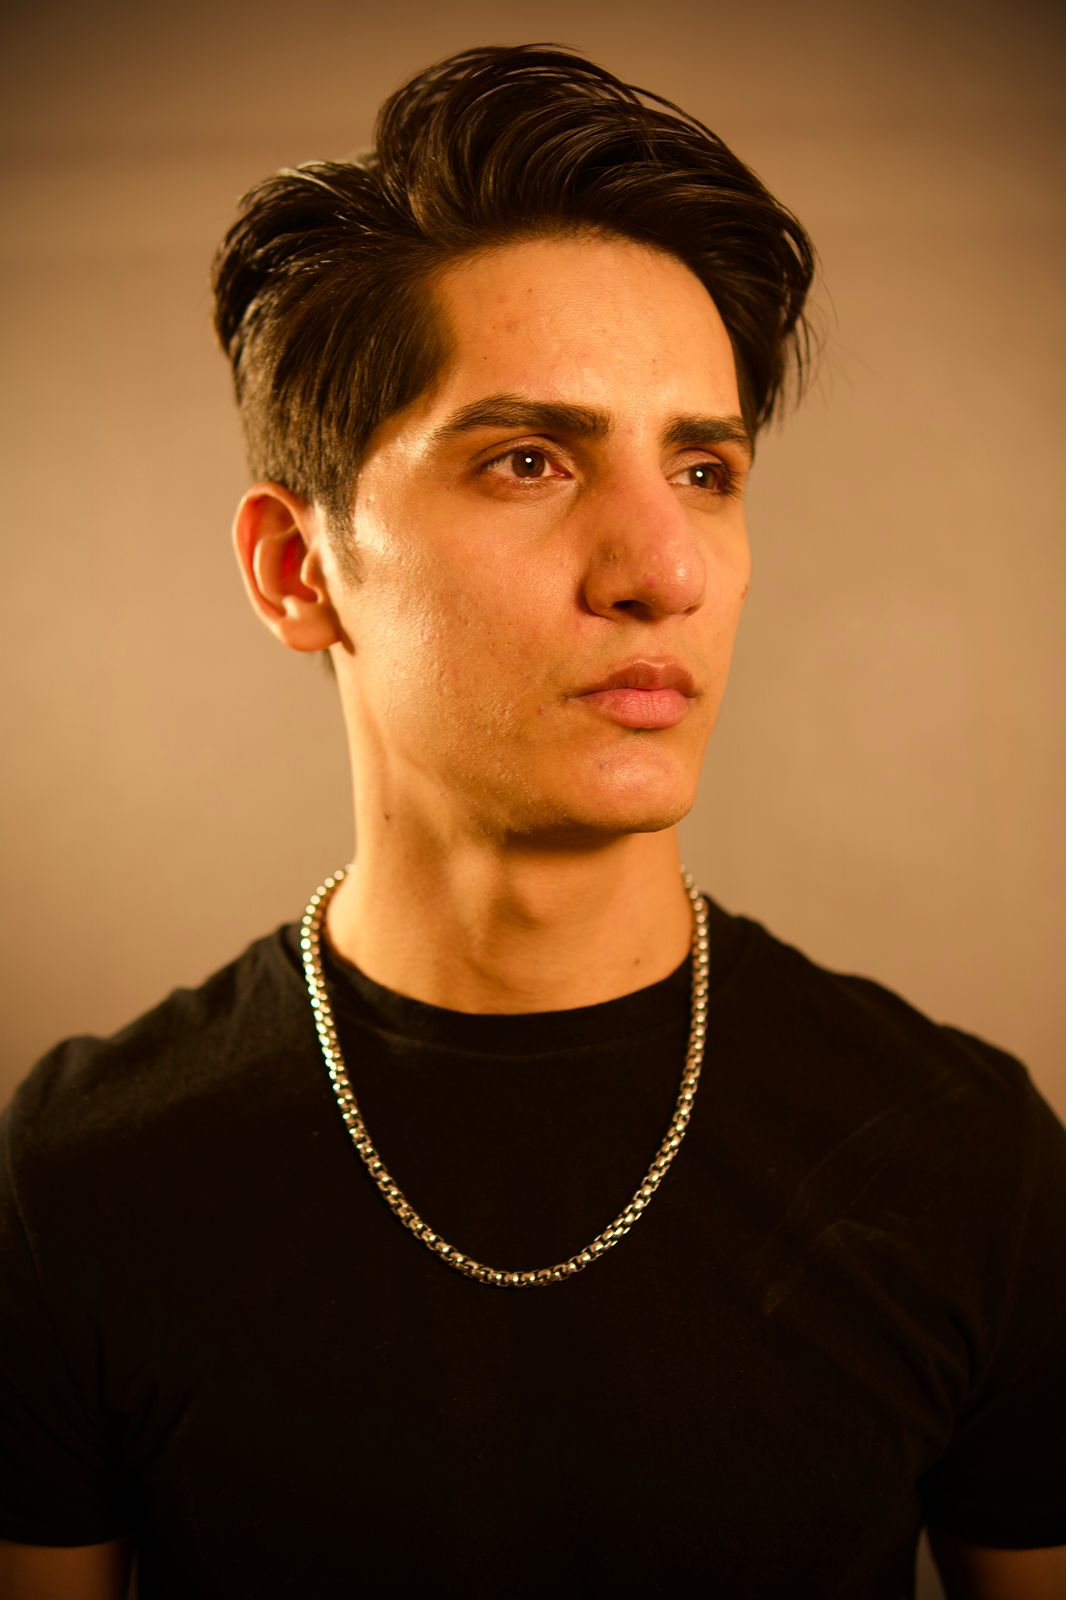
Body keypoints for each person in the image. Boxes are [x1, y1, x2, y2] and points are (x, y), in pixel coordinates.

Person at [1, 42, 1063, 1600]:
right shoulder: (80, 1181)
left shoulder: (966, 1160)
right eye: (527, 459)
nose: (663, 569)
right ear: (299, 571)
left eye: (702, 468)